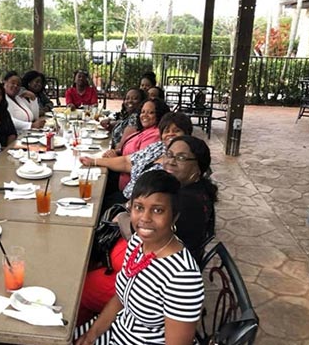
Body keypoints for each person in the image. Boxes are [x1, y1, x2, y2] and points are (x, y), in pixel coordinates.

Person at [78, 137, 217, 325]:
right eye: (168, 154)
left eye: (181, 158)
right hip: (143, 264)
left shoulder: (186, 203)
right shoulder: (184, 191)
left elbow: (142, 234)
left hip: (153, 277)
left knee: (79, 285)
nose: (171, 161)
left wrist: (124, 216)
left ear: (198, 167)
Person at [75, 171, 204, 345]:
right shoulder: (137, 242)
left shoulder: (182, 277)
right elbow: (121, 297)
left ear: (175, 216)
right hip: (118, 329)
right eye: (139, 207)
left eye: (157, 210)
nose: (145, 218)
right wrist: (92, 334)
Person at [81, 112, 193, 206]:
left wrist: (128, 207)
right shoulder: (158, 147)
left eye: (176, 130)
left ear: (187, 133)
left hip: (137, 206)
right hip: (126, 195)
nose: (170, 134)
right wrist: (93, 161)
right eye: (166, 131)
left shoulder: (181, 161)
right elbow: (126, 162)